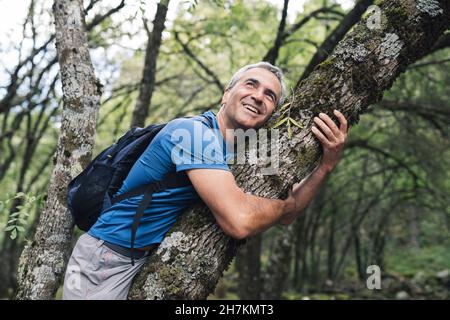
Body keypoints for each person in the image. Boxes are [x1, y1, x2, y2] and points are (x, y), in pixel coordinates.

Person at [62, 61, 348, 299]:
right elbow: (240, 221)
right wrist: (282, 207)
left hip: (145, 259)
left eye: (270, 95)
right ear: (227, 94)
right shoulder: (192, 134)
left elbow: (289, 211)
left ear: (272, 114)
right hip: (105, 258)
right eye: (250, 84)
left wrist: (325, 166)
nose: (259, 96)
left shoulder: (251, 151)